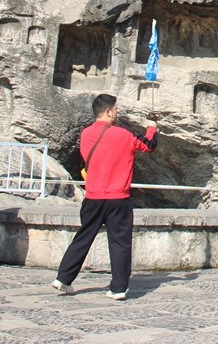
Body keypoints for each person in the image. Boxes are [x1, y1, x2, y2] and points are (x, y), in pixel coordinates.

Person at [52, 94, 157, 300]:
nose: (117, 113)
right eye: (116, 110)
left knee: (83, 237)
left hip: (93, 196)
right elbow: (148, 145)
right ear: (108, 111)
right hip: (118, 197)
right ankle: (118, 288)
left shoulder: (85, 134)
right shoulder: (123, 134)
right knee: (120, 243)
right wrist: (152, 127)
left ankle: (63, 278)